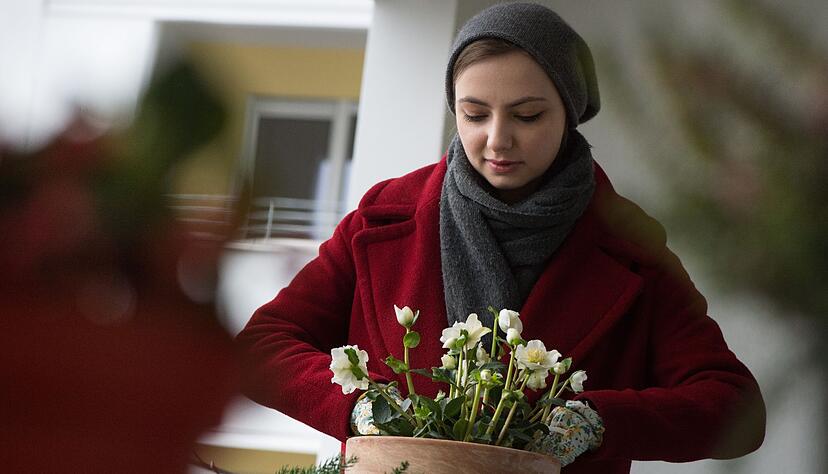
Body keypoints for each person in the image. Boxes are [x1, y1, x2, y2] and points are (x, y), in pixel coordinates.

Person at [236, 3, 765, 472]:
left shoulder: (631, 247)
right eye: (473, 114)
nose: (496, 140)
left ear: (569, 112)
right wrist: (359, 407)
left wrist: (594, 422)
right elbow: (260, 349)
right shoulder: (382, 218)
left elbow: (735, 407)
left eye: (527, 115)